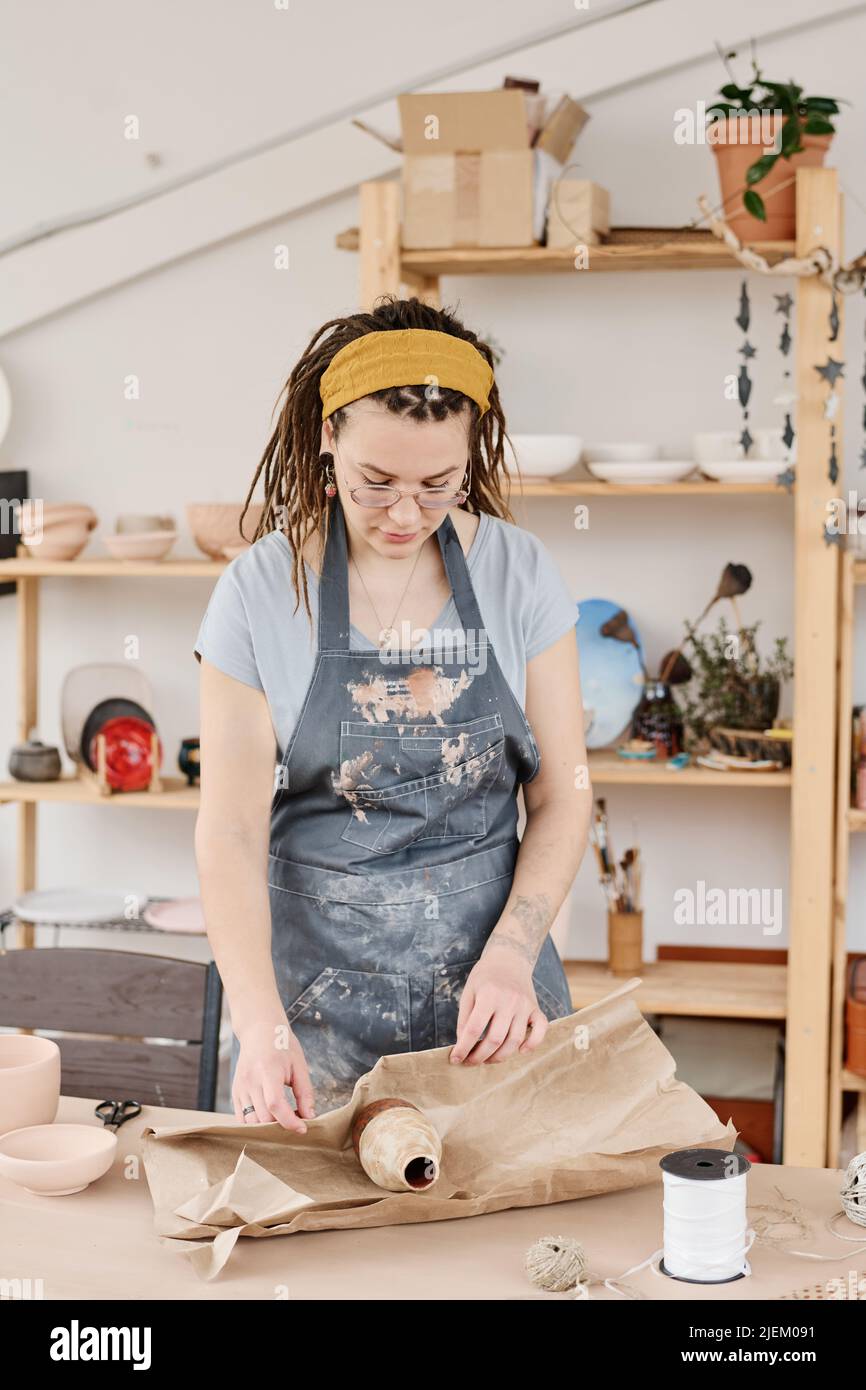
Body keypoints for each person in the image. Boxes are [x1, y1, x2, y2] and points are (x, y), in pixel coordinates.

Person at [194, 295, 591, 1130]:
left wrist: (514, 955)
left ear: (471, 456)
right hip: (313, 1010)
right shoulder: (261, 592)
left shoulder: (522, 575)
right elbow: (229, 829)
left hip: (495, 1003)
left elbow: (563, 795)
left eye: (436, 486)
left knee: (507, 1249)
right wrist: (257, 1020)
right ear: (328, 435)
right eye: (374, 484)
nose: (405, 516)